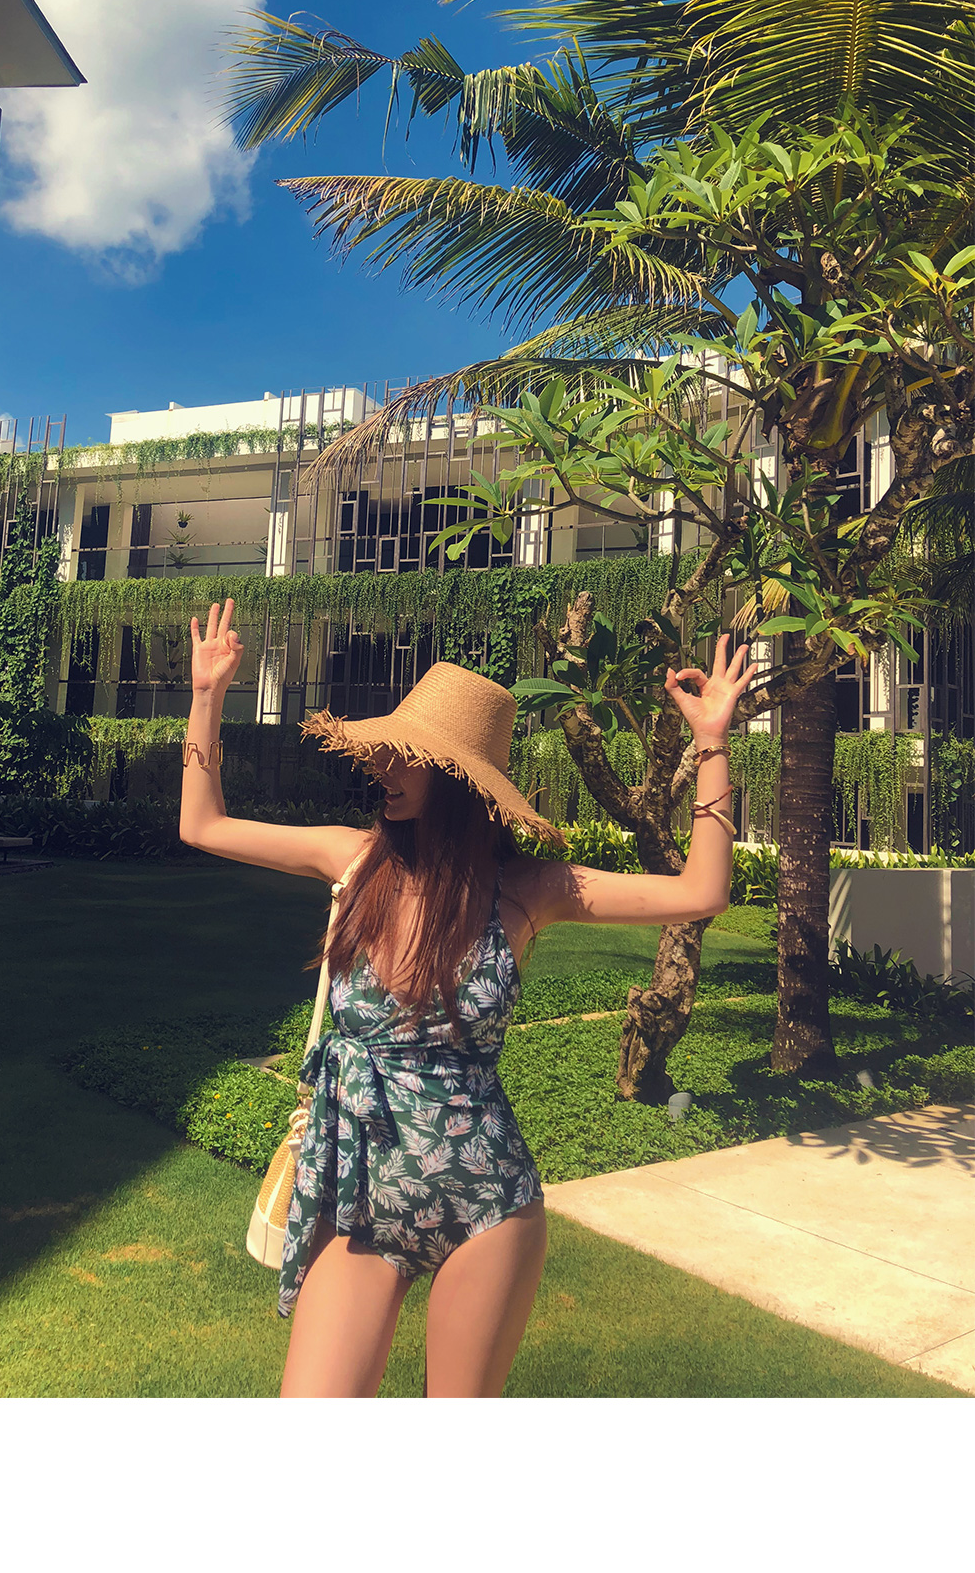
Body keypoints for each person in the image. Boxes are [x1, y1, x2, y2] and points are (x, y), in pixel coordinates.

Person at [180, 599, 757, 1399]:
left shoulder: (529, 891)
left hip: (486, 1204)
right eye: (386, 752)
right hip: (362, 1205)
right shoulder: (354, 860)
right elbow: (203, 826)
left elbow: (701, 891)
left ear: (456, 778)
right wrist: (207, 695)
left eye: (407, 757)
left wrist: (713, 741)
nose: (384, 769)